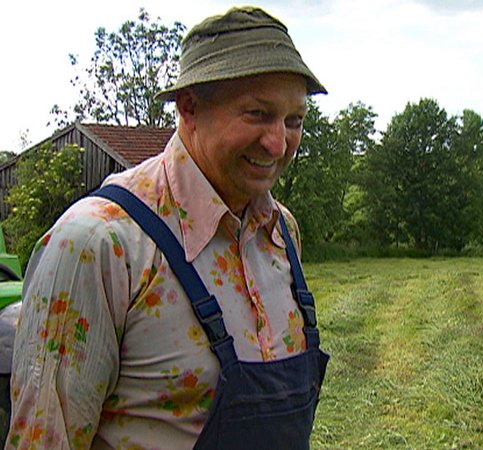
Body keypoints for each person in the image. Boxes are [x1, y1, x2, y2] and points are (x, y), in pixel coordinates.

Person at [6, 6, 329, 449]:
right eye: (257, 114)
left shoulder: (281, 232)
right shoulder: (99, 244)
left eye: (294, 121)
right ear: (189, 107)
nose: (278, 142)